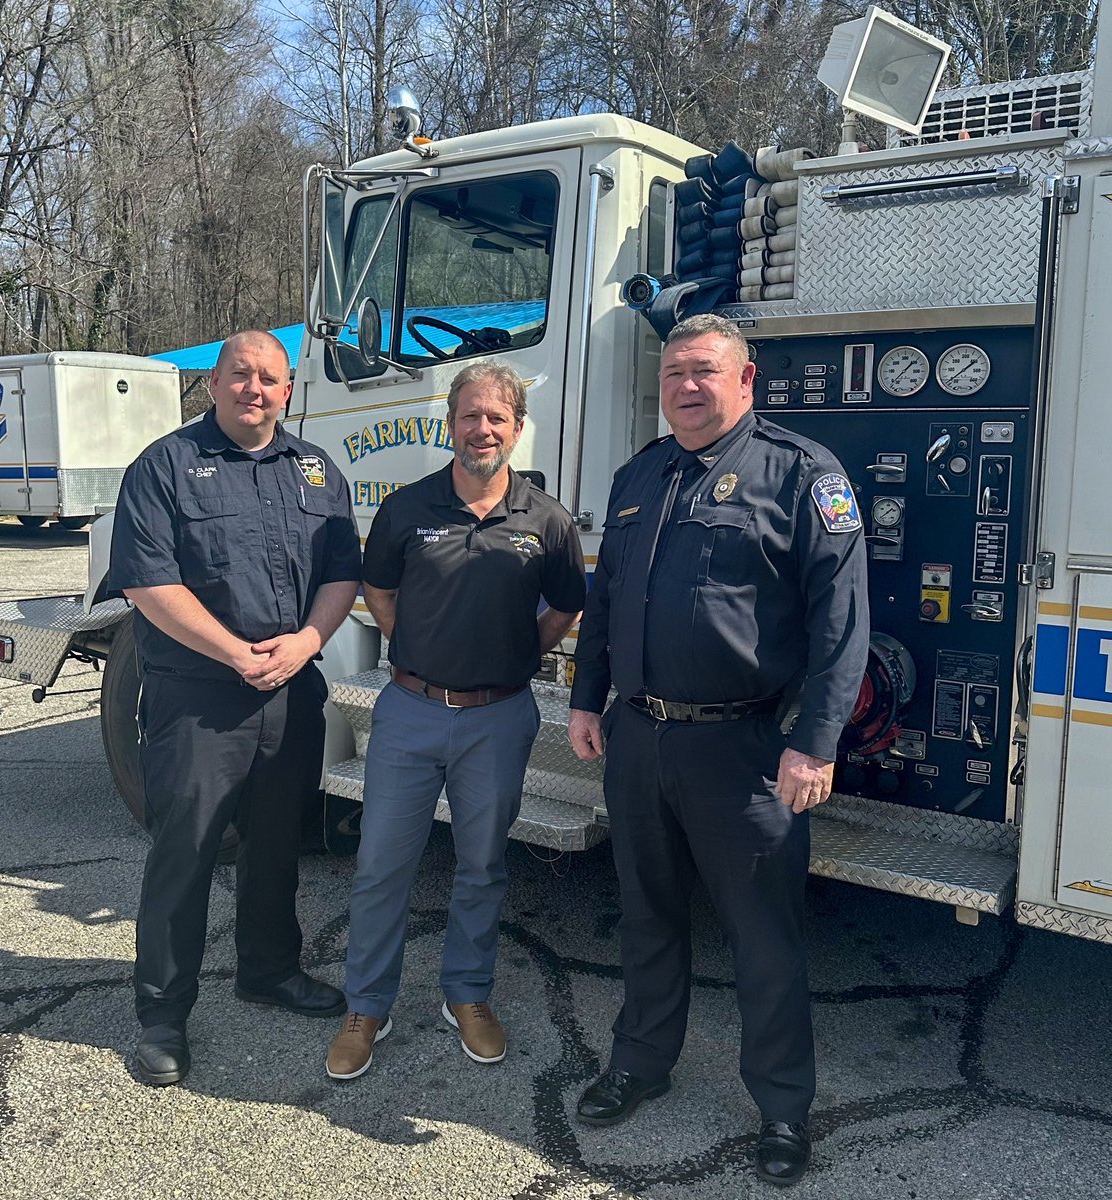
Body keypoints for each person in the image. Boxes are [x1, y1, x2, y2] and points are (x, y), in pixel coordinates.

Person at [567, 313, 869, 1186]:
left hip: (744, 750)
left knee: (763, 936)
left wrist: (813, 744)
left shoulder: (803, 475)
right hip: (639, 737)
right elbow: (607, 594)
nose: (686, 388)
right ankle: (640, 1062)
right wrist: (589, 699)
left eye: (704, 372)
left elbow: (841, 624)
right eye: (673, 375)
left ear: (747, 379)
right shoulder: (640, 474)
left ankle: (781, 1110)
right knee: (646, 912)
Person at [108, 330, 362, 1087]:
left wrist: (308, 642)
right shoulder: (165, 469)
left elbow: (342, 574)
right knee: (184, 851)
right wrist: (235, 653)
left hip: (292, 692)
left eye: (271, 379)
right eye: (241, 374)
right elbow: (147, 584)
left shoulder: (318, 471)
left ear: (289, 391)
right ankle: (162, 1012)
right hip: (200, 700)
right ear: (213, 384)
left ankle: (270, 970)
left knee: (279, 841)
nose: (257, 388)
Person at [326, 361, 586, 1080]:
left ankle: (467, 995)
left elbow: (567, 606)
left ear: (517, 427)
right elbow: (378, 589)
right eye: (470, 416)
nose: (483, 430)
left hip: (499, 720)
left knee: (482, 866)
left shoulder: (547, 520)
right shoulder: (407, 509)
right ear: (451, 424)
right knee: (382, 866)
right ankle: (366, 1006)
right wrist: (416, 651)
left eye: (497, 418)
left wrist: (516, 653)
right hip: (409, 711)